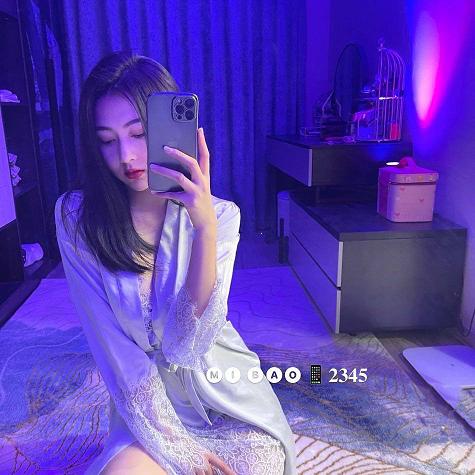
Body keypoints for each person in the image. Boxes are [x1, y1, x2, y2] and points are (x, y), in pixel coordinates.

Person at [55, 51, 296, 475]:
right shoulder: (77, 218)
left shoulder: (222, 216)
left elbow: (188, 345)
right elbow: (113, 348)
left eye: (139, 134)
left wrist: (203, 229)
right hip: (148, 409)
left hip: (227, 396)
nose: (126, 156)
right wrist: (177, 447)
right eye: (107, 141)